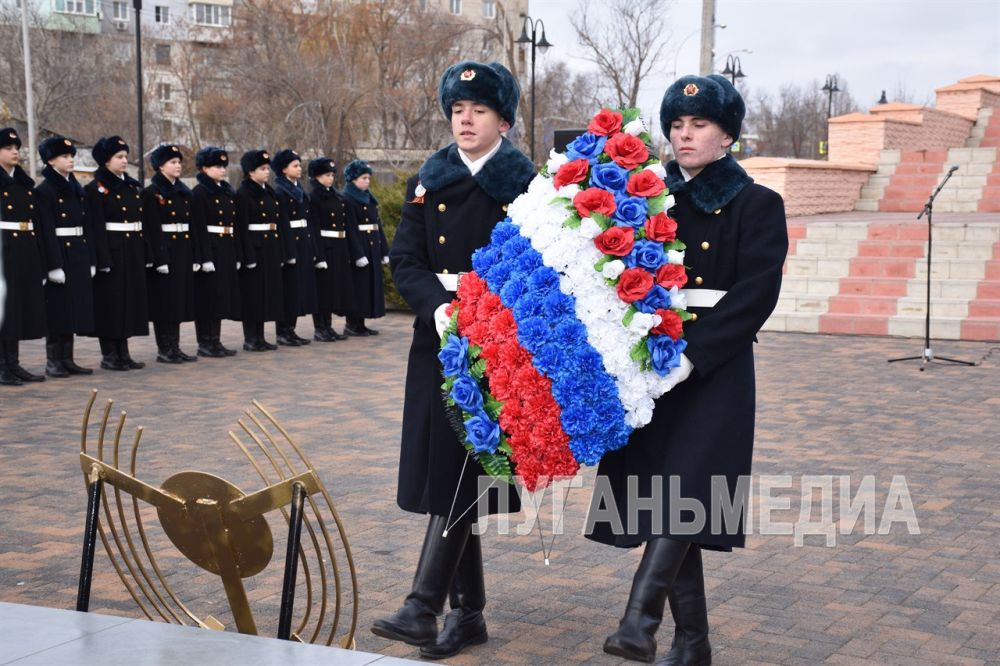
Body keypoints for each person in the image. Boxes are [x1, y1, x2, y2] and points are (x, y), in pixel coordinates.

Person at [592, 74, 788, 664]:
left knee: (688, 490)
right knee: (669, 495)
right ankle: (694, 642)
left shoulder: (757, 203)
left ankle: (639, 623)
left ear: (727, 135)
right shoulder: (650, 200)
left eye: (699, 125)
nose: (684, 135)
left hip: (714, 368)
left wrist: (695, 358)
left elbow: (756, 294)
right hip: (650, 362)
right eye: (676, 125)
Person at [376, 60, 535, 660]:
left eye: (479, 111)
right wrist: (438, 310)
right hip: (438, 335)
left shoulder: (523, 183)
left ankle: (424, 606)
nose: (465, 120)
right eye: (457, 111)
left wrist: (479, 313)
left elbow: (533, 267)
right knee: (449, 467)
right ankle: (467, 614)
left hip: (493, 339)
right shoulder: (432, 176)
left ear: (503, 119)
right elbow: (406, 257)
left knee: (461, 466)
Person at [85, 136, 149, 371]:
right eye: (119, 157)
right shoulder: (96, 189)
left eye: (125, 156)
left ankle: (124, 351)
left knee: (128, 301)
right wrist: (101, 258)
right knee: (111, 302)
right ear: (106, 161)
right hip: (111, 250)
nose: (124, 161)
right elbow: (96, 226)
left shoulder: (131, 186)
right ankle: (109, 353)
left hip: (131, 248)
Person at [35, 136, 95, 377]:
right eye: (64, 157)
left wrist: (90, 257)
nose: (70, 160)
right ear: (50, 161)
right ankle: (53, 360)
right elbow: (46, 230)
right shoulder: (45, 190)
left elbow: (86, 223)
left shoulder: (74, 187)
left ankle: (67, 358)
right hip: (59, 250)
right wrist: (53, 265)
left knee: (72, 306)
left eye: (71, 156)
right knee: (57, 308)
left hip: (77, 250)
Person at [142, 143, 197, 364]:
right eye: (172, 162)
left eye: (179, 162)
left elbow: (190, 225)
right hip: (165, 250)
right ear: (160, 166)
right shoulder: (152, 193)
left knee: (177, 300)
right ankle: (164, 347)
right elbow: (152, 229)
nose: (178, 166)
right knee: (164, 302)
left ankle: (174, 345)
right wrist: (159, 258)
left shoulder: (183, 192)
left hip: (182, 249)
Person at [0, 127, 46, 385]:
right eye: (8, 148)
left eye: (16, 148)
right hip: (3, 248)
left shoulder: (24, 184)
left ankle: (13, 363)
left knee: (17, 306)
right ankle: (2, 365)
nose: (15, 152)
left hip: (23, 248)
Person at [191, 146, 240, 357]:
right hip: (210, 246)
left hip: (226, 245)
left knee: (220, 295)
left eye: (223, 166)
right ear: (204, 168)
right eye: (217, 166)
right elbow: (198, 227)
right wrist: (203, 257)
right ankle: (205, 342)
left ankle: (216, 340)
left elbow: (235, 223)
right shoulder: (200, 193)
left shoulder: (227, 191)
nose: (222, 170)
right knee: (207, 296)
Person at [235, 150, 286, 351]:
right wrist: (247, 254)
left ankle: (261, 336)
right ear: (250, 172)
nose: (267, 172)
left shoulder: (269, 192)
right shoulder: (244, 194)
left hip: (270, 247)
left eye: (267, 168)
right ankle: (251, 337)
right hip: (255, 247)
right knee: (253, 295)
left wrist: (281, 251)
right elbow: (242, 226)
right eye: (262, 169)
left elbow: (278, 223)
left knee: (267, 294)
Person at [271, 149, 317, 346]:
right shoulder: (280, 191)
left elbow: (307, 220)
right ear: (283, 169)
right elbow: (281, 223)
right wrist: (286, 250)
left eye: (299, 165)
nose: (299, 169)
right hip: (290, 242)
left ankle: (291, 329)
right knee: (288, 288)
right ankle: (283, 330)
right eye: (295, 165)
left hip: (303, 241)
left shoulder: (299, 190)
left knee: (299, 287)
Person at [341, 159, 389, 336]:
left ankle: (360, 323)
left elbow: (378, 225)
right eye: (363, 178)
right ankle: (352, 323)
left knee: (368, 286)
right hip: (360, 246)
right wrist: (357, 254)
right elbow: (350, 229)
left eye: (368, 178)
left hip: (372, 246)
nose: (367, 181)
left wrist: (384, 250)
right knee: (357, 286)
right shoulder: (347, 199)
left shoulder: (369, 198)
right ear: (353, 179)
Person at [306, 157, 350, 342]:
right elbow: (314, 227)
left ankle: (329, 326)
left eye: (332, 175)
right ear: (316, 177)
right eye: (326, 175)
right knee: (323, 290)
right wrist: (318, 255)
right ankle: (320, 327)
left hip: (338, 246)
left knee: (333, 289)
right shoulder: (314, 197)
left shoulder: (335, 195)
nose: (330, 178)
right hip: (325, 246)